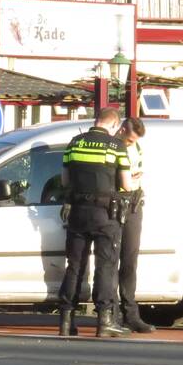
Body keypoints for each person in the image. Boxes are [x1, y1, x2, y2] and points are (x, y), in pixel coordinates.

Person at [58, 108, 133, 338]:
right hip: (105, 215)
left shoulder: (74, 143)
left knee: (75, 266)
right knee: (105, 266)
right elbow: (126, 185)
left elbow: (65, 180)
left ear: (97, 120)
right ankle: (104, 321)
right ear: (114, 125)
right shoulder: (116, 146)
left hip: (78, 213)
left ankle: (66, 320)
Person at [117, 117, 156, 333]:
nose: (132, 143)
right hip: (115, 203)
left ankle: (130, 314)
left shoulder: (137, 147)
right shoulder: (113, 145)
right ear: (122, 130)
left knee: (129, 261)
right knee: (110, 262)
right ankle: (111, 312)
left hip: (133, 204)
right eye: (130, 139)